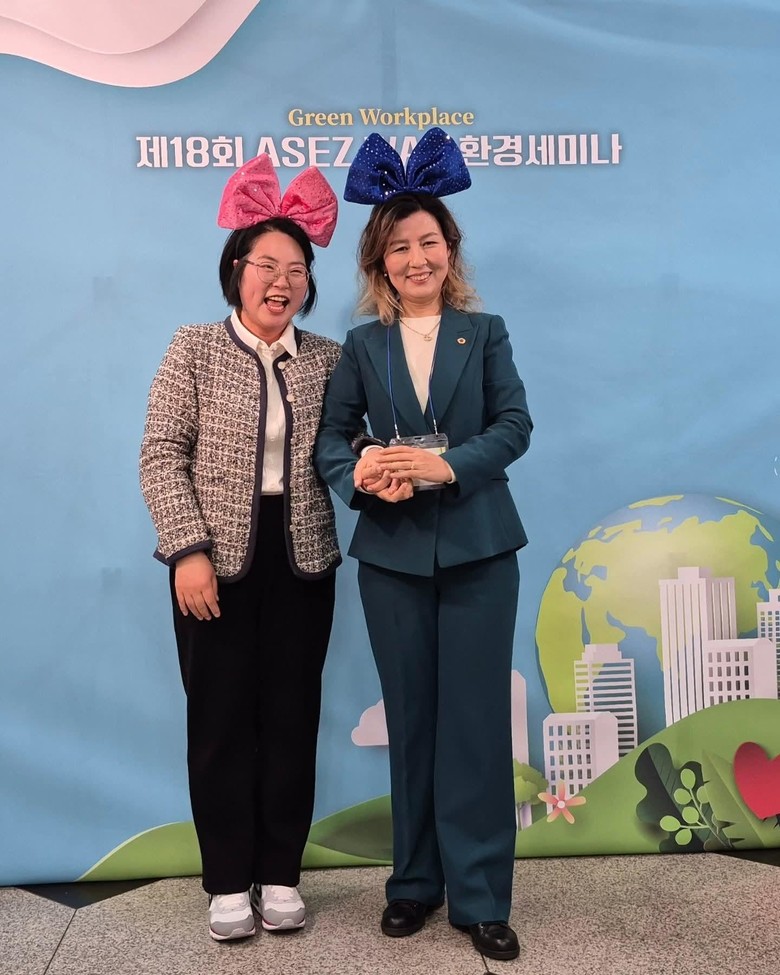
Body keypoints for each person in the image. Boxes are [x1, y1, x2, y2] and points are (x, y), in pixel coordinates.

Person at [314, 128, 533, 963]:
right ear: (379, 259)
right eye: (400, 245)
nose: (417, 258)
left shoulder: (487, 330)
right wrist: (364, 474)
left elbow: (514, 425)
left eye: (429, 242)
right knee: (410, 722)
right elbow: (333, 439)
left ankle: (480, 896)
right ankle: (413, 883)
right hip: (393, 557)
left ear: (451, 249)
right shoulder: (361, 344)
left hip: (481, 549)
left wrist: (446, 466)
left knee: (474, 723)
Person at [140, 154, 342, 941]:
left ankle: (280, 872)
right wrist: (186, 549)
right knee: (220, 721)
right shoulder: (192, 347)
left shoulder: (327, 358)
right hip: (213, 563)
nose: (281, 281)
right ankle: (227, 879)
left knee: (292, 717)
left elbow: (345, 448)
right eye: (267, 265)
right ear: (236, 270)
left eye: (296, 269)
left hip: (303, 560)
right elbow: (161, 453)